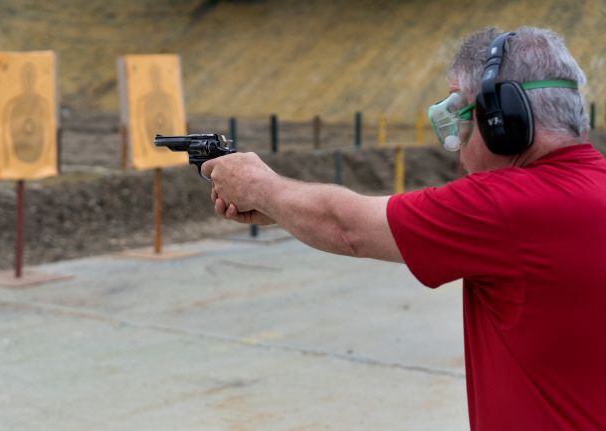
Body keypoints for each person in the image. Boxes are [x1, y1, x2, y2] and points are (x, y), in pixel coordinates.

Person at [201, 27, 606, 430]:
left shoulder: (506, 207)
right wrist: (284, 209)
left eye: (463, 118)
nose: (459, 145)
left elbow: (347, 227)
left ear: (504, 120)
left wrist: (258, 185)